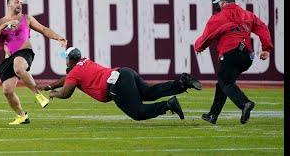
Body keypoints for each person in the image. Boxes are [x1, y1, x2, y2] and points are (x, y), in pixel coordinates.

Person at [36, 47, 202, 121]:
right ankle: (181, 83)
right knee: (148, 92)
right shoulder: (84, 61)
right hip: (125, 72)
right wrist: (51, 85)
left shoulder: (74, 72)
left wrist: (54, 94)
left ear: (70, 60)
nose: (64, 61)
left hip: (115, 85)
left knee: (138, 113)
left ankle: (168, 105)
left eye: (66, 58)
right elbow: (68, 78)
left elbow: (67, 92)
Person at [194, 0, 273, 124]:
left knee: (225, 82)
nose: (218, 5)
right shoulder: (248, 15)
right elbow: (263, 28)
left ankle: (245, 104)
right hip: (246, 57)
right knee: (223, 83)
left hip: (230, 54)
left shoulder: (218, 17)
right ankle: (213, 115)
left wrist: (198, 47)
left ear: (223, 3)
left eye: (219, 3)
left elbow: (207, 37)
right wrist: (266, 48)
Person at [0, 0, 67, 125]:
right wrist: (6, 25)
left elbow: (43, 29)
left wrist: (58, 37)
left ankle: (38, 95)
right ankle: (22, 116)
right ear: (9, 5)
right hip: (8, 59)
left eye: (21, 2)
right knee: (7, 91)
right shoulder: (0, 21)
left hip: (24, 53)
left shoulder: (27, 18)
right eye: (17, 2)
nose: (20, 4)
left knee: (19, 66)